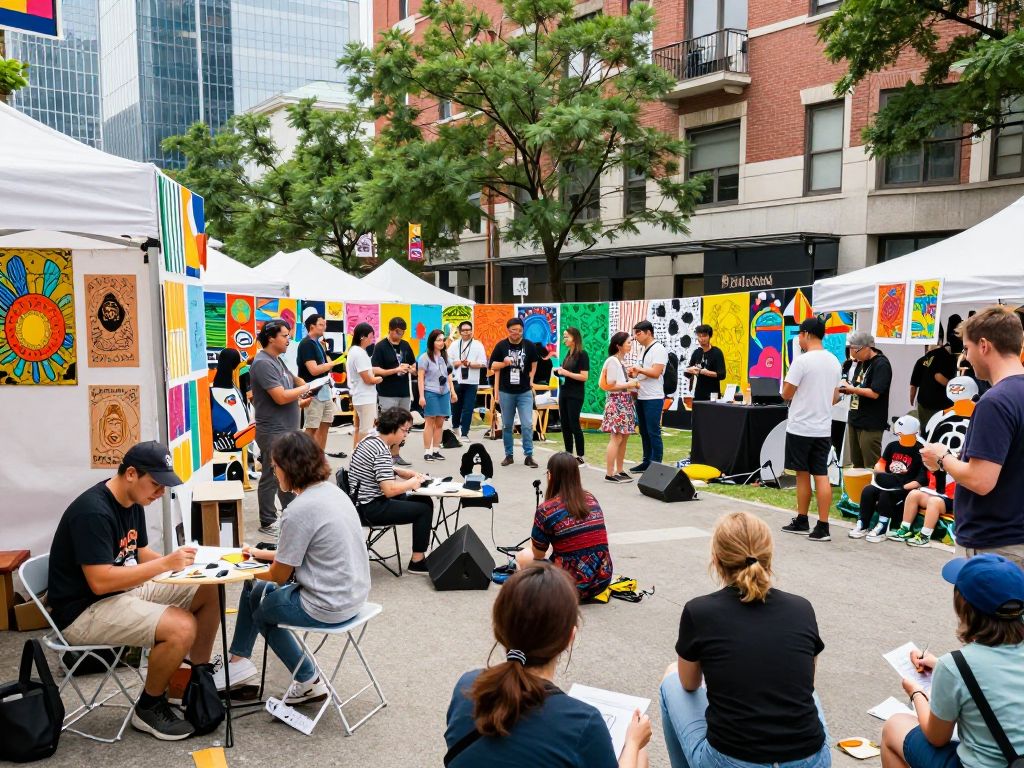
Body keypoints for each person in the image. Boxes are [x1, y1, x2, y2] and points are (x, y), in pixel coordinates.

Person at [47, 441, 220, 740]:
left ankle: (195, 682)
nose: (160, 493)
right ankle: (149, 707)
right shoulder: (93, 512)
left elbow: (137, 553)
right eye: (155, 484)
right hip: (83, 612)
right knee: (181, 628)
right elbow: (100, 581)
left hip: (122, 592)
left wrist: (192, 567)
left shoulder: (131, 500)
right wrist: (166, 563)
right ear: (130, 474)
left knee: (210, 590)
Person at [660, 511, 830, 768]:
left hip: (732, 759)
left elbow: (690, 683)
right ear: (768, 556)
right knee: (807, 695)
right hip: (810, 758)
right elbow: (807, 679)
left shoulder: (699, 611)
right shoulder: (802, 607)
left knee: (671, 678)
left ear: (716, 559)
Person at [444, 563, 651, 768]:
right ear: (570, 636)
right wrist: (633, 744)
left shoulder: (468, 686)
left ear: (499, 627)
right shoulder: (582, 722)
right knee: (638, 751)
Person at [221, 431, 371, 705]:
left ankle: (307, 679)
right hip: (354, 595)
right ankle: (237, 661)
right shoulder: (333, 493)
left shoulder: (298, 510)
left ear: (289, 468)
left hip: (327, 604)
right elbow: (304, 551)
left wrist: (240, 570)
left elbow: (279, 574)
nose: (273, 472)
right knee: (257, 590)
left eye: (275, 467)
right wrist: (259, 554)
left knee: (261, 608)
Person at [880, 554, 1024, 768]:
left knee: (893, 727)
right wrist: (938, 665)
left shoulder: (956, 665)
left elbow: (937, 737)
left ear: (963, 606)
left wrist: (916, 693)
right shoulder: (955, 667)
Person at [922, 306, 1024, 567]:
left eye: (966, 349)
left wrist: (942, 457)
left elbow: (981, 480)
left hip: (995, 544)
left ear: (984, 345)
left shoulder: (995, 401)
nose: (965, 358)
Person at [514, 452, 613, 601]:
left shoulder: (546, 510)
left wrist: (534, 544)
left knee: (524, 556)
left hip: (567, 587)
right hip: (602, 581)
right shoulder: (590, 498)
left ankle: (527, 594)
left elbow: (539, 555)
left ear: (550, 476)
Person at [347, 407, 433, 574]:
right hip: (370, 508)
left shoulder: (370, 439)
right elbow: (389, 490)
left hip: (360, 502)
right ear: (393, 427)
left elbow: (372, 467)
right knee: (423, 509)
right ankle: (417, 561)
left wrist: (399, 471)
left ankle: (418, 556)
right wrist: (413, 483)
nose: (406, 435)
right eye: (405, 430)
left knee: (423, 501)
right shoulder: (381, 450)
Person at [251, 318, 316, 536]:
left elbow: (291, 382)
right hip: (273, 430)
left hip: (285, 428)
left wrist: (302, 396)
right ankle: (268, 520)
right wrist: (306, 386)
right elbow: (279, 397)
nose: (289, 339)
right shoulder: (263, 363)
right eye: (285, 335)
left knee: (287, 473)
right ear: (271, 338)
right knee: (271, 475)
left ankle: (290, 514)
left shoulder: (277, 360)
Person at [781, 317, 842, 542]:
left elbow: (786, 393)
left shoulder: (802, 361)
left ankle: (802, 518)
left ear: (806, 334)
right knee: (821, 474)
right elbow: (835, 397)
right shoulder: (834, 361)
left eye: (799, 334)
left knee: (802, 474)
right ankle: (823, 525)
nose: (798, 338)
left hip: (800, 426)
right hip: (823, 427)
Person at [849, 415, 926, 542]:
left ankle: (882, 527)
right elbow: (881, 463)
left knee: (886, 495)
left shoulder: (920, 451)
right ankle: (863, 524)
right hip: (888, 482)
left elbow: (922, 477)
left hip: (904, 487)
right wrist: (880, 472)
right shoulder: (892, 446)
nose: (900, 437)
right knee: (868, 490)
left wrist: (904, 486)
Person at [490, 317, 539, 468]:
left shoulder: (529, 345)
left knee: (527, 424)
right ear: (508, 331)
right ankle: (508, 455)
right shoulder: (501, 346)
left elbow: (534, 363)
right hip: (506, 391)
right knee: (507, 425)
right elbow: (492, 365)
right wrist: (504, 363)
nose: (516, 333)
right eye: (513, 330)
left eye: (519, 330)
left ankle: (529, 455)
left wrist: (531, 380)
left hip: (524, 391)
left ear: (522, 330)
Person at [840, 331, 892, 469]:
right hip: (855, 418)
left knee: (870, 465)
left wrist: (851, 389)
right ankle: (859, 490)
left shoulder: (881, 364)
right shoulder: (861, 363)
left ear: (866, 347)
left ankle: (874, 490)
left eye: (855, 351)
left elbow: (875, 393)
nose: (854, 355)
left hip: (871, 423)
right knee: (856, 464)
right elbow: (858, 385)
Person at [371, 317, 417, 466]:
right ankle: (383, 456)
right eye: (398, 332)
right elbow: (375, 369)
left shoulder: (405, 345)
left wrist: (411, 369)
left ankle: (396, 454)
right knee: (388, 424)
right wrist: (395, 370)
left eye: (403, 332)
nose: (400, 335)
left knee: (402, 425)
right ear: (390, 329)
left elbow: (414, 365)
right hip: (387, 392)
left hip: (404, 391)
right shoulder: (380, 346)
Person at [296, 314, 340, 453]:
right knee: (312, 427)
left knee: (325, 425)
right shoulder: (306, 344)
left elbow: (322, 367)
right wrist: (331, 364)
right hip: (313, 392)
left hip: (325, 390)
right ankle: (306, 460)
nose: (324, 327)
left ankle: (319, 459)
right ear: (312, 326)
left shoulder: (318, 343)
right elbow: (314, 370)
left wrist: (329, 365)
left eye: (324, 324)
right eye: (321, 324)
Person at [601, 331, 641, 482]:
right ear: (619, 346)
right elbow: (610, 385)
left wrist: (632, 384)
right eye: (628, 342)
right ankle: (610, 473)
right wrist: (630, 383)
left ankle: (619, 470)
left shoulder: (620, 361)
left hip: (624, 401)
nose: (631, 344)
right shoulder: (612, 361)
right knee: (616, 438)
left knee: (624, 438)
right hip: (617, 402)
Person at [628, 320, 667, 473]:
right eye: (635, 333)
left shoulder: (658, 349)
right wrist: (635, 372)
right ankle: (646, 461)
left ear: (648, 332)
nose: (635, 337)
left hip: (654, 397)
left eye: (638, 333)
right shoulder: (644, 349)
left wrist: (639, 369)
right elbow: (643, 371)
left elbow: (656, 373)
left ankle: (656, 463)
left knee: (653, 431)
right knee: (643, 431)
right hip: (641, 395)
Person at [887, 470, 955, 548]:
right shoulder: (933, 462)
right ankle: (904, 529)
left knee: (933, 501)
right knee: (914, 494)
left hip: (951, 499)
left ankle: (925, 536)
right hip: (934, 492)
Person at [418, 328, 457, 461]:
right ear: (432, 342)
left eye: (442, 340)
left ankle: (436, 450)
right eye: (438, 340)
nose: (441, 342)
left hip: (444, 392)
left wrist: (452, 391)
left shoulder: (445, 357)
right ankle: (427, 451)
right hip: (431, 391)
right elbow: (421, 378)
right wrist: (421, 396)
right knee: (430, 421)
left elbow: (449, 376)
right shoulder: (424, 358)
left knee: (440, 422)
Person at [345, 322, 383, 452]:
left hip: (360, 395)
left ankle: (356, 453)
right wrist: (378, 378)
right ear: (362, 337)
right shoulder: (359, 353)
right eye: (371, 337)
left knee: (359, 428)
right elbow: (367, 379)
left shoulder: (354, 351)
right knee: (366, 430)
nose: (372, 340)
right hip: (365, 397)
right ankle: (362, 456)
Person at [553, 327, 589, 464]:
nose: (564, 339)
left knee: (574, 424)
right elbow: (565, 372)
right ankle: (568, 453)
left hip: (575, 394)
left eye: (567, 336)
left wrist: (566, 373)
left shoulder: (582, 354)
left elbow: (584, 377)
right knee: (565, 424)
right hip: (564, 391)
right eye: (564, 336)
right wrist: (558, 372)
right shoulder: (568, 354)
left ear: (575, 337)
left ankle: (580, 456)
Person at [451, 321, 488, 443]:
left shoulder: (478, 345)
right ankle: (455, 427)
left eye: (469, 330)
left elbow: (483, 363)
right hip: (457, 379)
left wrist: (470, 364)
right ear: (460, 332)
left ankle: (465, 432)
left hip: (472, 381)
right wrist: (456, 363)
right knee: (456, 406)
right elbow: (447, 360)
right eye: (464, 330)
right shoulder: (455, 344)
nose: (467, 332)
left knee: (468, 407)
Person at [910, 343, 956, 436]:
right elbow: (940, 378)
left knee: (925, 431)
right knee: (942, 430)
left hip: (924, 402)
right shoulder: (948, 358)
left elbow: (913, 385)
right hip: (943, 403)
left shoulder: (921, 361)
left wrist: (911, 400)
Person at [686, 324, 727, 402]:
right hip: (698, 394)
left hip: (713, 395)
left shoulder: (716, 352)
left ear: (709, 336)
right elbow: (688, 374)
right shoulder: (697, 352)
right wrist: (688, 370)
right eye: (699, 336)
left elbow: (722, 375)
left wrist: (704, 372)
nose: (701, 339)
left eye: (704, 336)